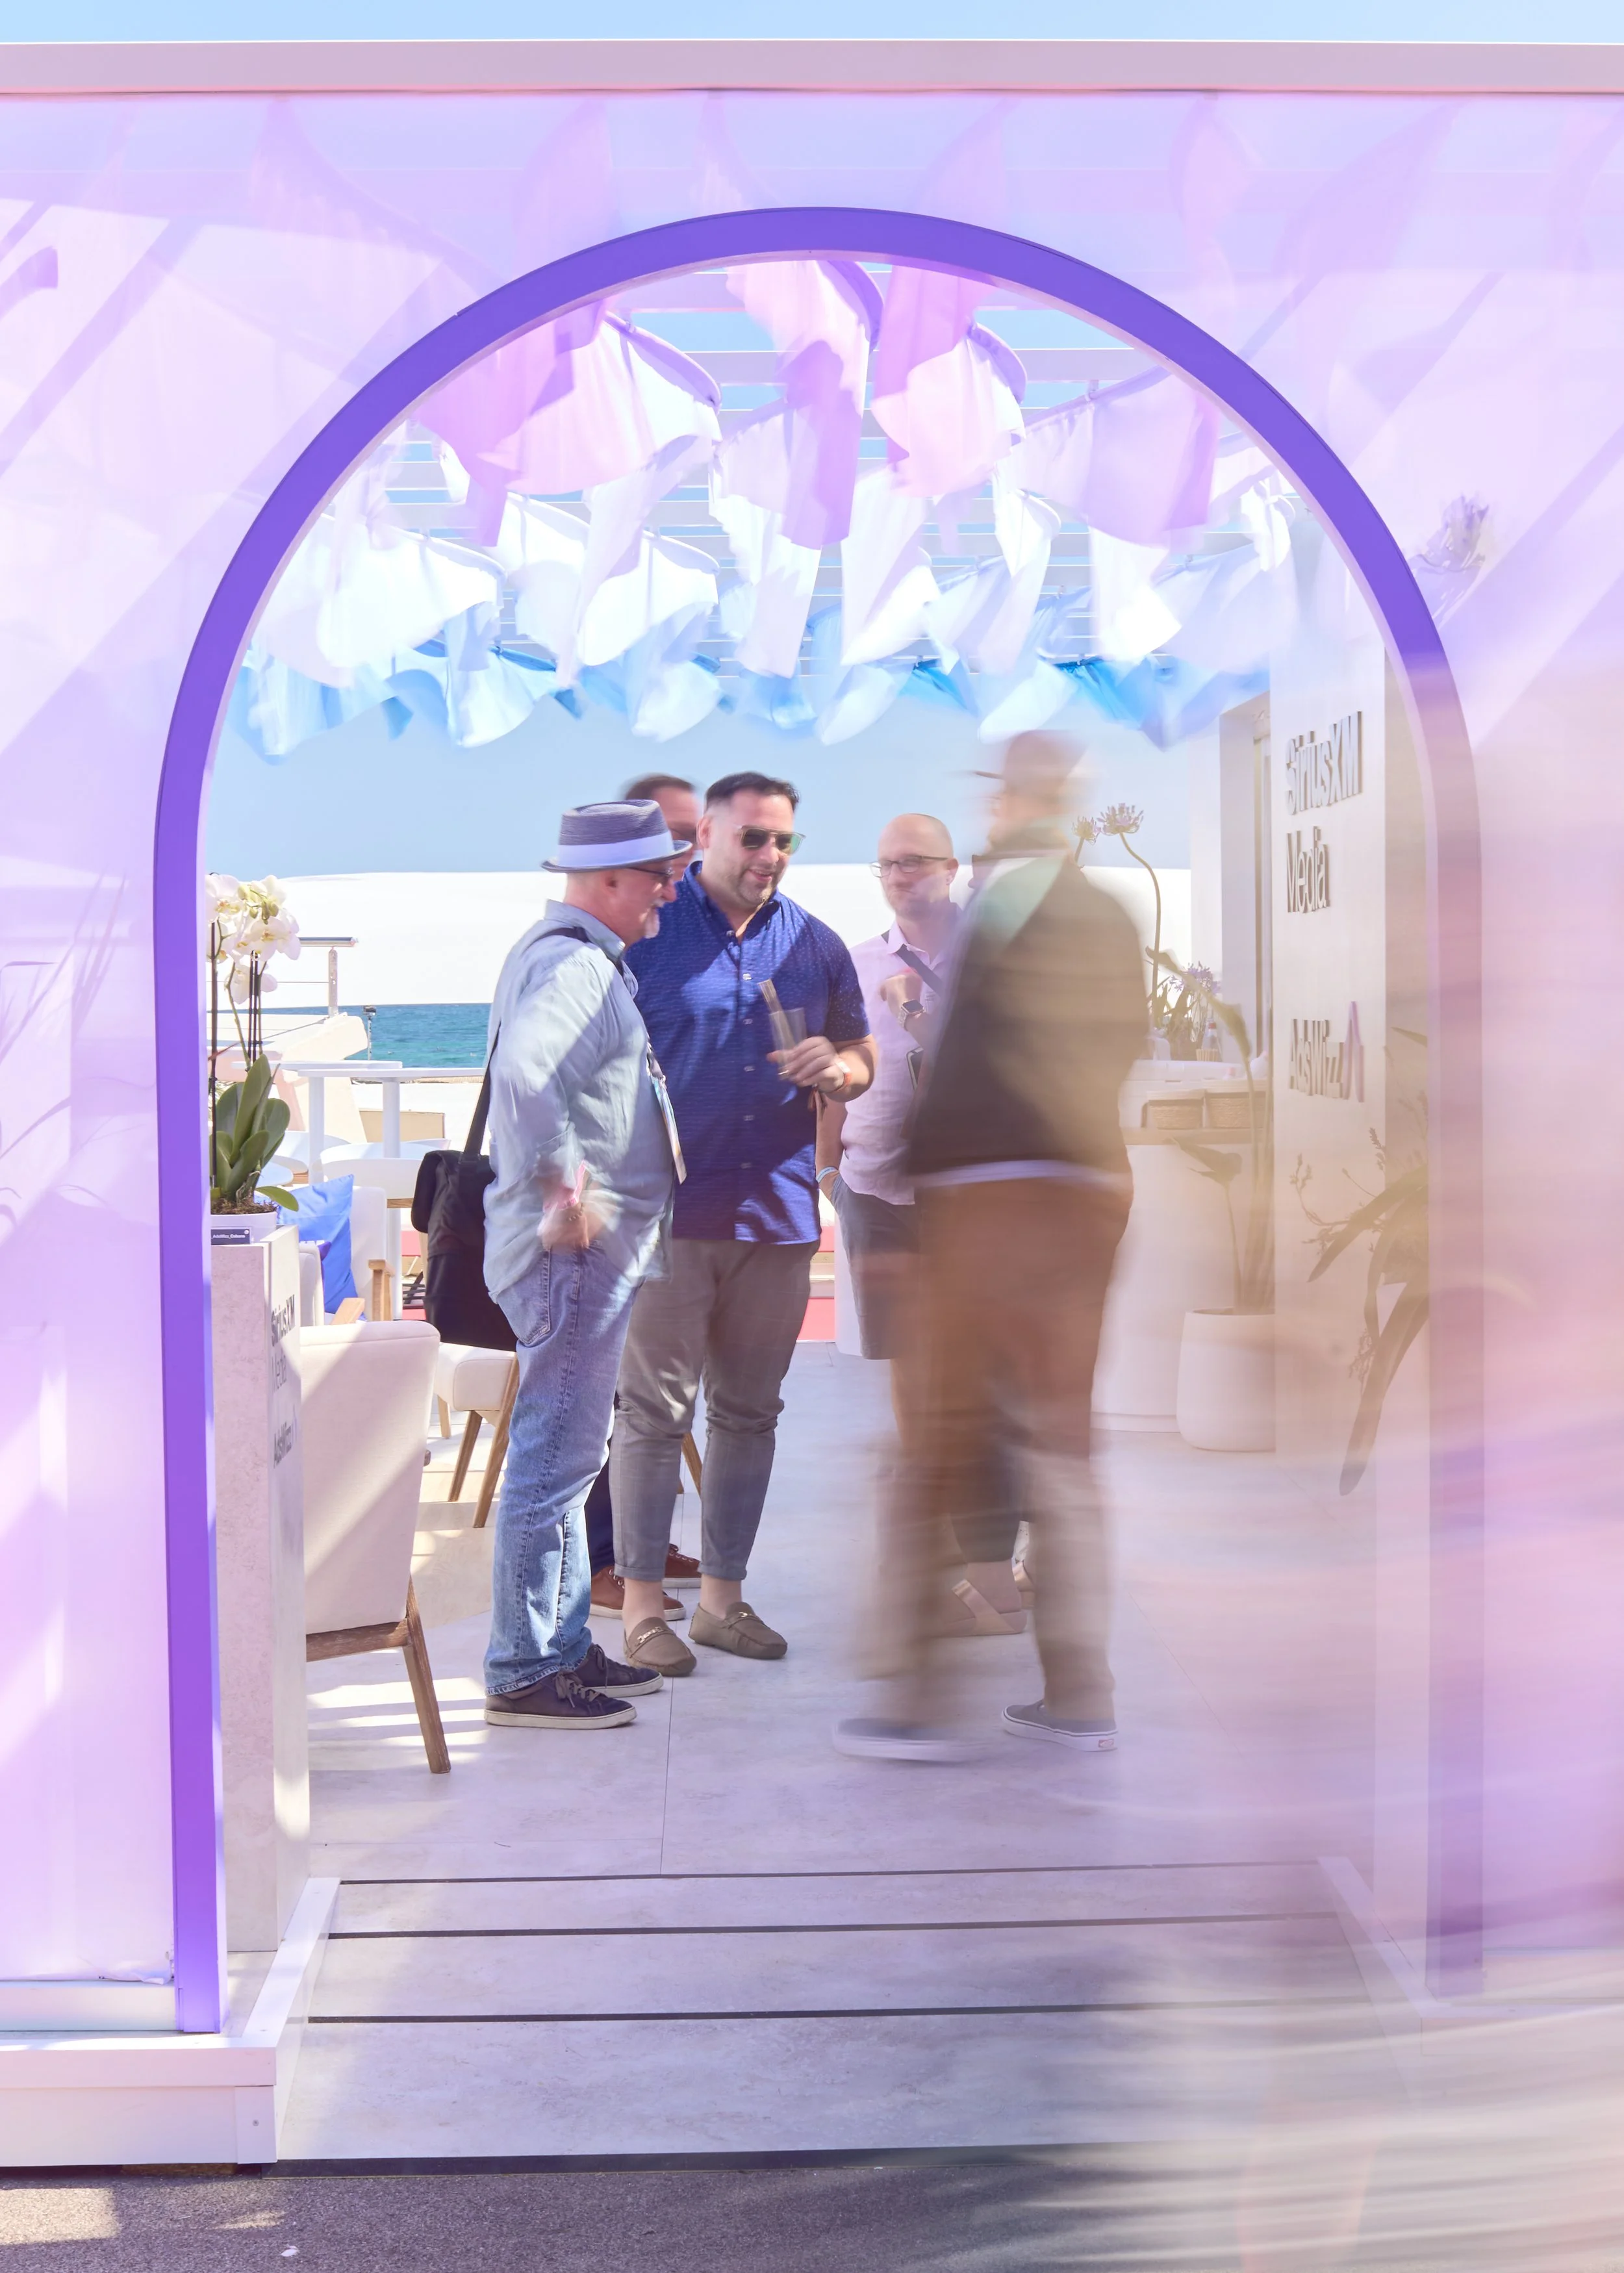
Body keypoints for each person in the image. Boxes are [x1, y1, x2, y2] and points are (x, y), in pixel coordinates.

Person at [834, 731, 1147, 1763]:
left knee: (939, 1433)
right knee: (1062, 1444)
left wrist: (906, 1207)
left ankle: (917, 1696)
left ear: (1021, 801)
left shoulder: (1004, 905)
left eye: (1002, 795)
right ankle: (1081, 1687)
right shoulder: (1108, 914)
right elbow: (1117, 1054)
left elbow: (968, 1070)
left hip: (988, 1202)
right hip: (1090, 1195)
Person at [610, 770, 876, 1677]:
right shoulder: (646, 930)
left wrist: (841, 1069)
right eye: (753, 838)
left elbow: (862, 1052)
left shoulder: (817, 943)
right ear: (708, 838)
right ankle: (643, 1606)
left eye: (783, 841)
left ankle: (723, 1599)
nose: (769, 856)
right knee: (652, 1414)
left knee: (751, 1414)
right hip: (668, 1217)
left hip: (778, 1214)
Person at [481, 800, 692, 1731]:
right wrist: (569, 1185)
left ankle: (561, 1647)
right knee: (553, 1461)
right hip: (573, 1259)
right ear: (609, 880)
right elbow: (530, 1076)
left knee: (570, 1458)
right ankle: (525, 1666)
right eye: (658, 874)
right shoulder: (572, 963)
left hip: (583, 1259)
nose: (669, 891)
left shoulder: (570, 954)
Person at [816, 815, 1026, 1640]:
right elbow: (830, 1082)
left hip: (971, 1204)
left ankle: (984, 1556)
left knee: (980, 1378)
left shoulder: (991, 965)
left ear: (952, 870)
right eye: (887, 865)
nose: (901, 876)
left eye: (915, 863)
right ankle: (937, 1544)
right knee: (907, 1373)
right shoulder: (857, 965)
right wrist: (830, 1174)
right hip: (875, 1192)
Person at [583, 770, 704, 1620]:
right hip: (617, 1200)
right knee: (614, 1392)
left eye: (699, 831)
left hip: (678, 1196)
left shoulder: (693, 922)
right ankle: (606, 1559)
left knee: (659, 1386)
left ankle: (643, 1541)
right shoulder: (610, 938)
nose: (687, 849)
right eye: (674, 834)